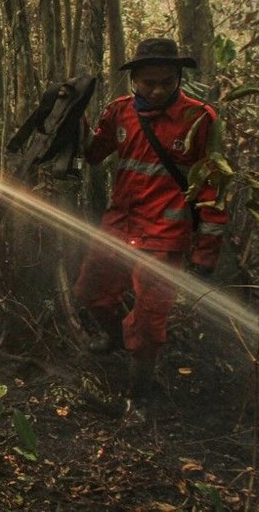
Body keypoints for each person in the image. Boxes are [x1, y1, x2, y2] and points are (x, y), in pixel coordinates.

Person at [73, 37, 227, 413]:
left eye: (166, 82)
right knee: (90, 293)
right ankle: (116, 338)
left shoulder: (199, 118)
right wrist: (74, 115)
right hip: (119, 226)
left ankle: (137, 396)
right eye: (149, 83)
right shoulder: (119, 112)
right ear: (134, 80)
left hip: (164, 236)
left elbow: (213, 189)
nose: (157, 90)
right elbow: (93, 154)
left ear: (178, 78)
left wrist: (205, 255)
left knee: (149, 322)